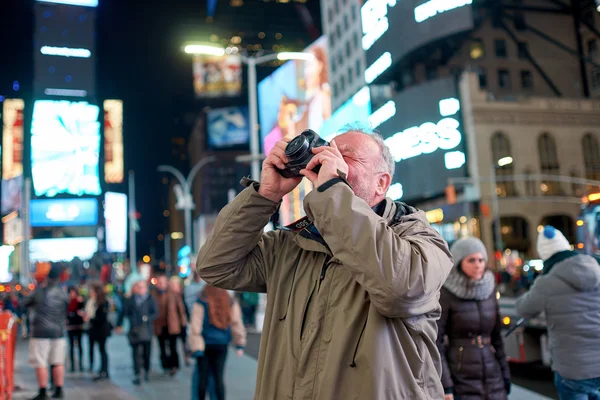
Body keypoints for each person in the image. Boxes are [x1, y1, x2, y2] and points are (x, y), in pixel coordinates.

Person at [196, 126, 453, 399]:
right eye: (327, 150)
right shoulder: (293, 244)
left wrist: (333, 192)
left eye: (346, 156)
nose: (330, 159)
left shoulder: (419, 240)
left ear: (382, 183)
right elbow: (216, 265)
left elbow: (401, 289)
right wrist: (264, 196)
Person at [516, 226, 600, 399]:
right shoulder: (596, 267)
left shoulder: (546, 282)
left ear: (544, 254)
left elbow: (523, 308)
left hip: (572, 370)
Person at [436, 238, 511, 400]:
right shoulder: (446, 293)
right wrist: (446, 385)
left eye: (481, 260)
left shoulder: (490, 289)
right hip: (461, 373)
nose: (477, 265)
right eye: (471, 260)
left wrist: (505, 374)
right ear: (459, 262)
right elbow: (437, 342)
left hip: (492, 373)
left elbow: (498, 338)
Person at [189, 284, 246, 400]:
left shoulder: (202, 299)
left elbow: (195, 325)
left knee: (202, 378)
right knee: (218, 377)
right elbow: (236, 322)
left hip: (204, 345)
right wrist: (239, 344)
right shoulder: (229, 300)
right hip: (221, 344)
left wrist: (195, 346)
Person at [23, 265, 69, 400]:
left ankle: (43, 391)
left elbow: (25, 302)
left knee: (40, 362)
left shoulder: (40, 291)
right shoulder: (62, 292)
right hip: (58, 331)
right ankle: (59, 389)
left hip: (40, 332)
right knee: (58, 361)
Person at [116, 279, 157, 385]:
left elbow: (155, 312)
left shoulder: (150, 299)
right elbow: (123, 312)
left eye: (142, 287)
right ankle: (137, 373)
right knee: (135, 353)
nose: (140, 289)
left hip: (146, 329)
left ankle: (146, 370)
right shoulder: (130, 300)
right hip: (134, 329)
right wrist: (118, 324)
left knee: (146, 352)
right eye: (138, 287)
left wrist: (147, 318)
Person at [153, 275, 187, 375]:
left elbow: (180, 309)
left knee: (173, 346)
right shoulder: (154, 295)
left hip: (172, 325)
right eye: (160, 283)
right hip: (160, 325)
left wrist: (183, 323)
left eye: (163, 282)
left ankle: (174, 365)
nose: (161, 285)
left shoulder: (173, 294)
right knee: (162, 347)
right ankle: (165, 365)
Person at [86, 284, 112, 381]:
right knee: (96, 349)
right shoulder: (92, 302)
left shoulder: (103, 302)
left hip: (101, 330)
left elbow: (102, 318)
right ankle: (99, 368)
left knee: (102, 350)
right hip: (93, 330)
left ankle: (104, 370)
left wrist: (90, 319)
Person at [66, 287, 85, 373]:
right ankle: (72, 365)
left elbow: (82, 310)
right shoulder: (67, 302)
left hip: (78, 325)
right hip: (70, 325)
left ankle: (81, 364)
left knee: (80, 344)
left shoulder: (79, 301)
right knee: (71, 346)